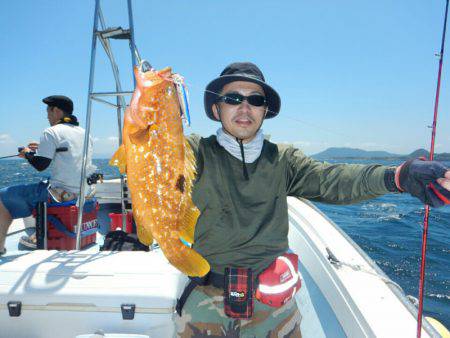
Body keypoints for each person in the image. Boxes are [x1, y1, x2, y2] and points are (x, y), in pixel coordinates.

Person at [174, 62, 450, 337]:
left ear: (264, 110)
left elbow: (335, 179)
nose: (244, 108)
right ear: (216, 108)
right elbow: (151, 151)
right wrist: (163, 111)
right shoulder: (193, 153)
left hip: (273, 301)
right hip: (204, 294)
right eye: (233, 98)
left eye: (255, 100)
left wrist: (398, 176)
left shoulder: (283, 159)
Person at [0, 95, 95, 252]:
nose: (47, 116)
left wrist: (27, 154)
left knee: (2, 197)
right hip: (82, 193)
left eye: (48, 112)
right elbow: (69, 153)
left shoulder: (51, 132)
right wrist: (42, 147)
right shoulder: (85, 133)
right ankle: (39, 234)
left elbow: (40, 165)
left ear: (56, 111)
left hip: (59, 194)